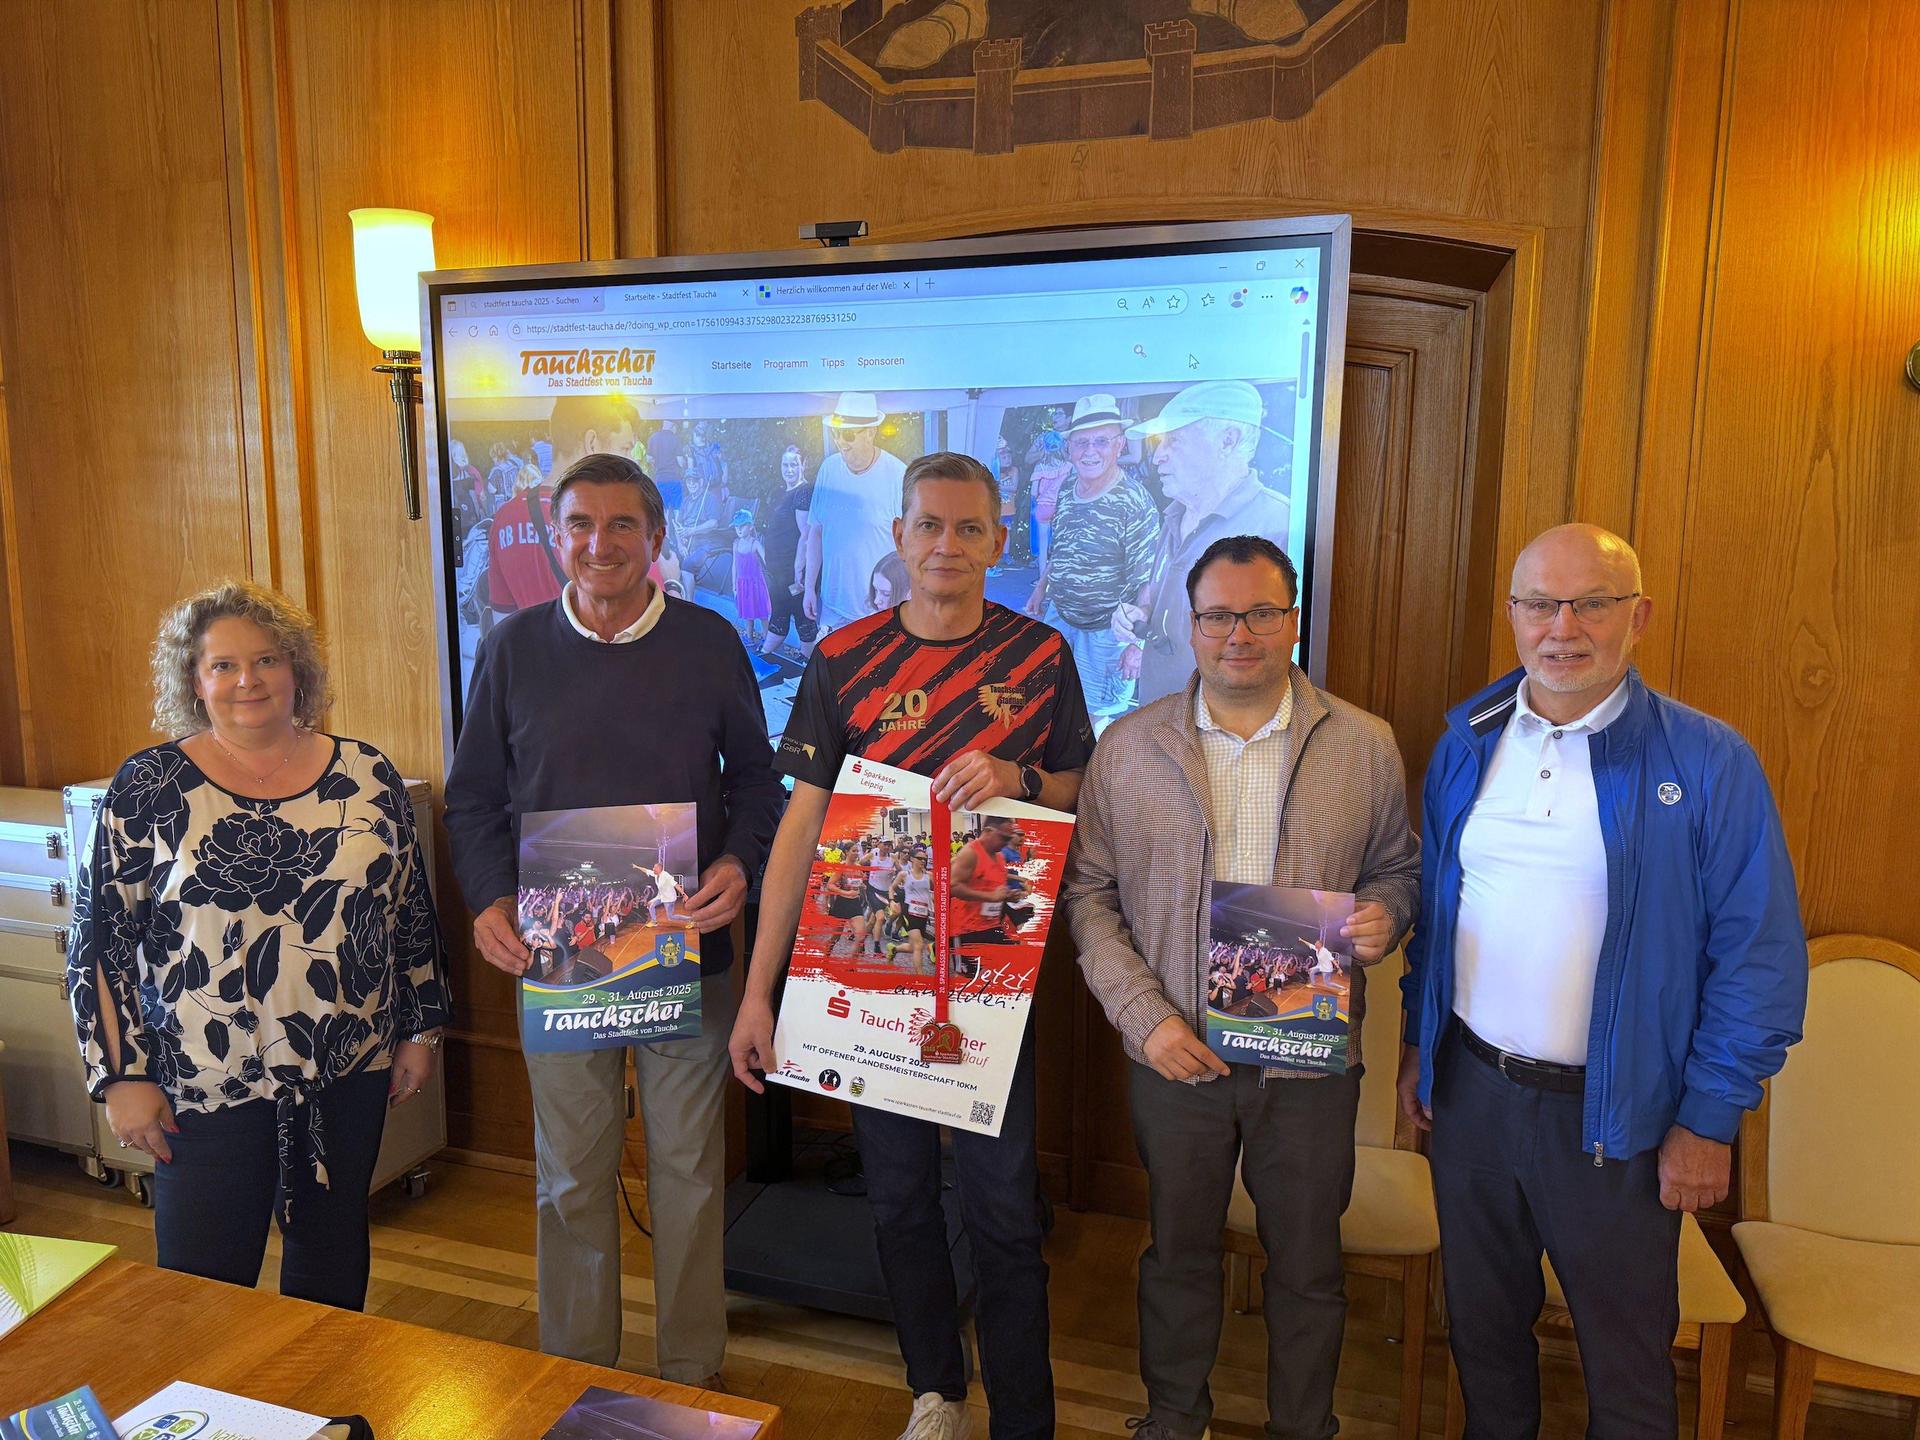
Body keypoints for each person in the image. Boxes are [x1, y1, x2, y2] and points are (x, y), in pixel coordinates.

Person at [1398, 523, 1808, 1440]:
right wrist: (1421, 1053)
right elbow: (1438, 913)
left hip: (1619, 1120)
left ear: (1640, 617)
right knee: (1483, 1339)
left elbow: (1759, 959)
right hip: (1471, 1099)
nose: (1563, 626)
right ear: (1512, 615)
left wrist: (1709, 1121)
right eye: (1540, 603)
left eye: (1593, 602)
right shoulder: (1468, 737)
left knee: (1625, 1365)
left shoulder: (1708, 763)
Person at [730, 451, 1095, 1440]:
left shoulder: (1042, 656)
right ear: (899, 536)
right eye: (928, 525)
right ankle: (937, 1388)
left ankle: (1026, 1417)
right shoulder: (843, 658)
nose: (947, 544)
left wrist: (1017, 771)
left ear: (997, 542)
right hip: (870, 960)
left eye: (968, 528)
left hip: (987, 967)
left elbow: (1075, 790)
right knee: (895, 1200)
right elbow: (799, 832)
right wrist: (760, 992)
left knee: (1003, 1209)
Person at [1064, 534, 1418, 1440]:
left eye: (1262, 612)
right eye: (1219, 615)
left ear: (1293, 620)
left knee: (1306, 1265)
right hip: (1175, 1052)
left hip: (1306, 1056)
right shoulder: (1131, 747)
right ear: (1191, 626)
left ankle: (1307, 1427)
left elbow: (1396, 872)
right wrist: (1142, 1020)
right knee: (1177, 1255)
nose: (1240, 633)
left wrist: (1385, 917)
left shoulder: (1364, 744)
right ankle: (1173, 1421)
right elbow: (1090, 896)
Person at [445, 452, 783, 1384]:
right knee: (569, 1179)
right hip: (558, 961)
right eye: (580, 526)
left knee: (688, 1173)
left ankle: (690, 1376)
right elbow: (472, 800)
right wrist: (485, 902)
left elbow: (758, 782)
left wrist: (736, 863)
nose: (601, 544)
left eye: (622, 525)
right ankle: (577, 1370)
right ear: (555, 540)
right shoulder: (511, 648)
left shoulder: (710, 643)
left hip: (689, 956)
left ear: (656, 539)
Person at [65, 581, 450, 1312]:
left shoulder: (369, 777)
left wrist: (420, 1028)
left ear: (297, 670)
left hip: (347, 1069)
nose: (248, 680)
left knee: (332, 1277)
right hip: (201, 1086)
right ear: (194, 680)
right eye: (223, 666)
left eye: (267, 660)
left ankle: (326, 1418)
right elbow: (101, 943)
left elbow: (409, 917)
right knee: (205, 1288)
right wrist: (120, 1077)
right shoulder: (150, 786)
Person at [1110, 381, 1290, 708]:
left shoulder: (1278, 526)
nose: (1157, 456)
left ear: (1227, 440)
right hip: (1161, 717)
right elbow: (1157, 594)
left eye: (1173, 440)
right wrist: (1140, 614)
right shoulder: (1173, 516)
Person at [1025, 393, 1162, 733]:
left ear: (1119, 445)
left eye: (1101, 441)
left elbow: (1148, 581)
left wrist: (1136, 644)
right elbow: (1061, 548)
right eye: (1081, 442)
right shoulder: (1069, 486)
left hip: (1106, 635)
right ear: (1069, 448)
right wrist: (1041, 589)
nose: (1090, 451)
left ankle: (1091, 784)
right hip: (1061, 619)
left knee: (1093, 720)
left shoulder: (1135, 503)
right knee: (1053, 704)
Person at [487, 394, 641, 622]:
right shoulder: (620, 524)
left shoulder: (504, 518)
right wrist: (670, 580)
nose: (631, 462)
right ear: (592, 443)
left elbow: (500, 621)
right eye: (626, 448)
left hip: (531, 656)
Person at [805, 392, 908, 633]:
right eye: (836, 433)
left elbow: (912, 548)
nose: (841, 441)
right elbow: (816, 532)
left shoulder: (898, 475)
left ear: (871, 432)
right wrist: (810, 587)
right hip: (831, 611)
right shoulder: (828, 469)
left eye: (848, 433)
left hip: (878, 613)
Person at [761, 443, 818, 662]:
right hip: (778, 570)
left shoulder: (803, 492)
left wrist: (798, 567)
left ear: (803, 465)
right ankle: (803, 664)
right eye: (785, 464)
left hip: (793, 570)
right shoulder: (780, 491)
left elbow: (806, 534)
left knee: (801, 616)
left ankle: (803, 663)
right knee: (784, 611)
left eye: (794, 464)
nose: (789, 469)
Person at [730, 507, 771, 645]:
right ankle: (749, 637)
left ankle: (767, 637)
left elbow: (767, 560)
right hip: (743, 584)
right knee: (748, 612)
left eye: (742, 526)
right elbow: (734, 565)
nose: (739, 529)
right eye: (736, 527)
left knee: (762, 612)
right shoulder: (736, 544)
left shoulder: (755, 544)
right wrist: (734, 584)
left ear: (750, 526)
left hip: (756, 584)